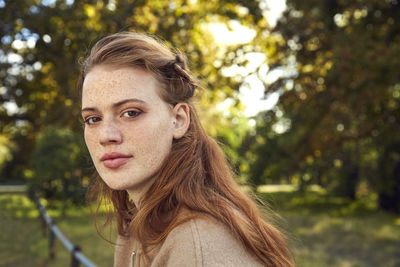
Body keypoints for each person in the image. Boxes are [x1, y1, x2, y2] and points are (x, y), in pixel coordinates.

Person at [78, 32, 295, 267]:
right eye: (92, 119)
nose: (106, 136)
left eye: (131, 113)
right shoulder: (135, 226)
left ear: (179, 119)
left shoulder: (198, 247)